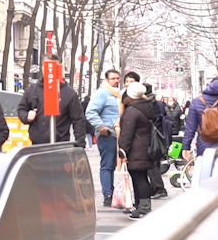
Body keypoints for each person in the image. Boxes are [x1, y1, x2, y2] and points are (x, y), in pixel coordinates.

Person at [17, 55, 86, 147]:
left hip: (60, 144)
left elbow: (78, 120)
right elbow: (21, 109)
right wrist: (27, 116)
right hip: (37, 145)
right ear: (42, 68)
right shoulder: (32, 90)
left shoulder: (69, 93)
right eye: (46, 66)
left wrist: (80, 144)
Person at [118, 82, 156, 219]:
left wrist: (122, 150)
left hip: (136, 149)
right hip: (145, 147)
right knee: (140, 177)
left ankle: (144, 207)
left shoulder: (132, 111)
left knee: (139, 178)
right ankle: (139, 205)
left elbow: (127, 134)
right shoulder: (147, 106)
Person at [86, 69, 122, 207]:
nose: (116, 81)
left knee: (114, 165)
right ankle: (108, 194)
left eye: (118, 78)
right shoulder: (102, 93)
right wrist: (101, 127)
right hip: (108, 135)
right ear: (106, 80)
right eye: (113, 78)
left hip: (118, 134)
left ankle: (113, 193)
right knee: (107, 165)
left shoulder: (117, 94)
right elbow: (90, 112)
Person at [143, 83, 169, 200]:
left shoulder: (147, 104)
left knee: (151, 164)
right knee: (155, 163)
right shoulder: (158, 103)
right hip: (159, 136)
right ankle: (155, 188)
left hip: (151, 136)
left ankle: (159, 189)